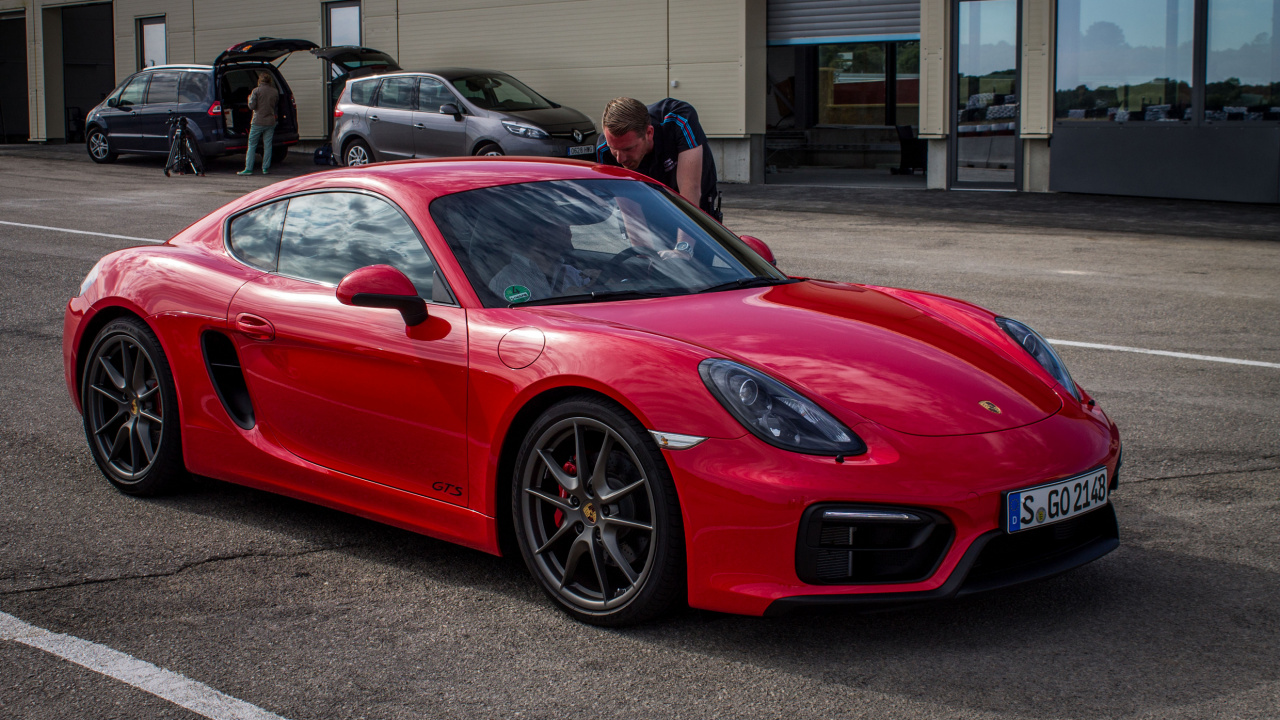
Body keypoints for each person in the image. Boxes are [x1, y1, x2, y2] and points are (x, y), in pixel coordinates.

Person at [596, 97, 721, 222]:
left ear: (649, 133)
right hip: (651, 212)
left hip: (694, 205)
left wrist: (684, 242)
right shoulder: (604, 150)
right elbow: (631, 212)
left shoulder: (678, 119)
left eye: (628, 149)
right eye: (614, 149)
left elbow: (690, 193)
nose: (619, 158)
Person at [486, 222, 592, 303]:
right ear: (540, 231)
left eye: (568, 227)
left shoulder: (572, 273)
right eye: (563, 227)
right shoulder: (507, 280)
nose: (569, 232)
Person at [238, 72, 279, 175]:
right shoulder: (275, 92)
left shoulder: (256, 91)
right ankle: (265, 168)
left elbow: (252, 106)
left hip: (258, 121)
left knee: (252, 144)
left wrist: (249, 99)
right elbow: (276, 105)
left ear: (259, 81)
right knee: (268, 145)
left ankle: (248, 168)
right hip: (270, 121)